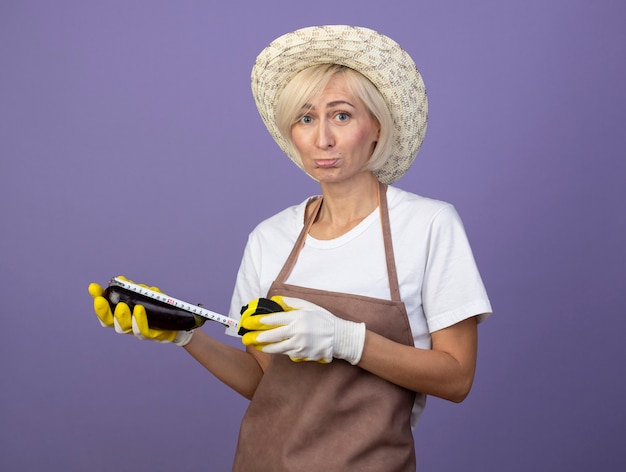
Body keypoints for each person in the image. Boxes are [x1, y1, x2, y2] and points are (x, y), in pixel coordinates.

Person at [89, 25, 492, 471]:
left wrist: (346, 339)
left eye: (341, 115)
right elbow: (264, 379)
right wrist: (185, 335)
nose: (323, 139)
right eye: (305, 118)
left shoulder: (428, 225)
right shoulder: (270, 238)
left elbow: (457, 378)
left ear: (377, 126)